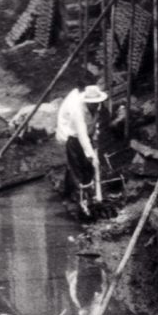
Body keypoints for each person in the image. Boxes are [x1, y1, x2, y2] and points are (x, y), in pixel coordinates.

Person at [56, 83, 108, 218]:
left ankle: (71, 193)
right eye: (92, 103)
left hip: (87, 136)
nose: (95, 105)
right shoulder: (77, 112)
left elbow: (96, 125)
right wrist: (92, 155)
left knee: (87, 169)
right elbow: (82, 136)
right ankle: (80, 202)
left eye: (97, 103)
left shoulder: (98, 107)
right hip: (74, 139)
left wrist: (95, 137)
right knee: (77, 169)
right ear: (86, 102)